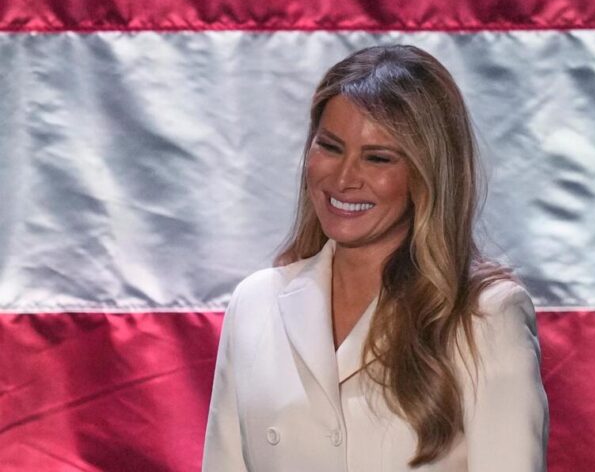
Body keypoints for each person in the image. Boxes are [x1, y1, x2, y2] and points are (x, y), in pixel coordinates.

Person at [202, 44, 549, 471]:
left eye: (377, 158)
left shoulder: (485, 317)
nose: (345, 178)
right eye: (330, 147)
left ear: (426, 173)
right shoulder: (255, 303)